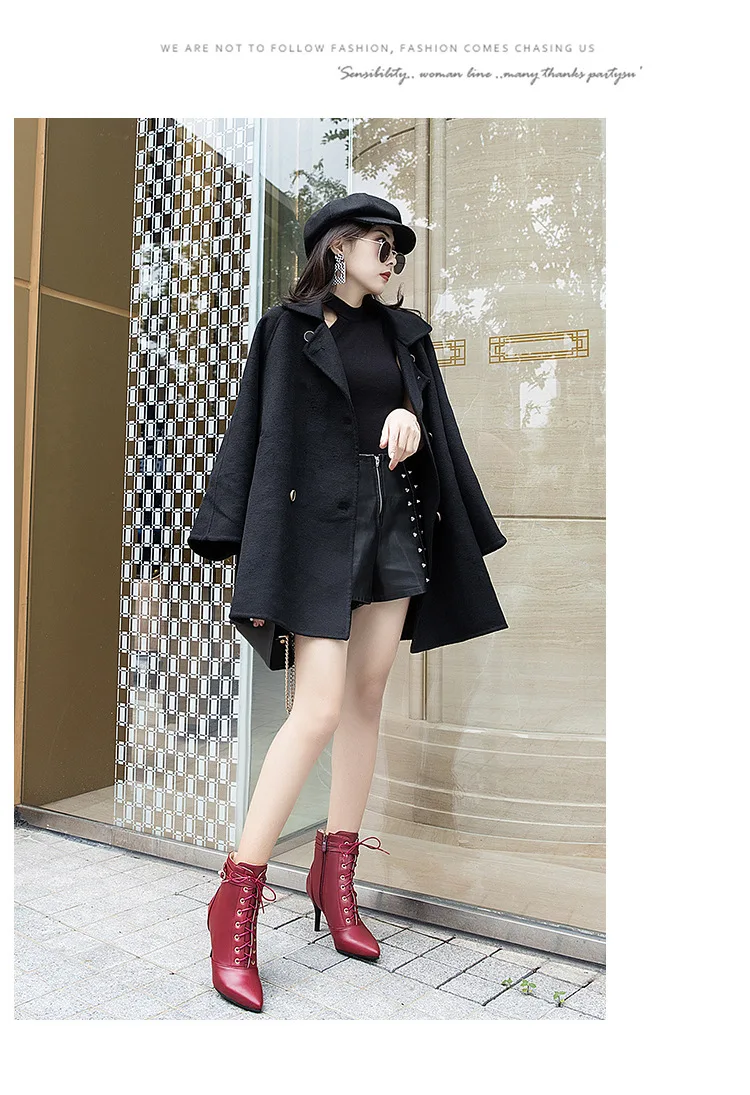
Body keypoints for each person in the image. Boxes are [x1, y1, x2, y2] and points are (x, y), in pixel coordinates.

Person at [189, 193, 508, 1012]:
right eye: (380, 242)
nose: (392, 256)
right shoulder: (287, 329)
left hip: (392, 524)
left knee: (366, 698)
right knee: (319, 708)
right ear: (337, 246)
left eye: (397, 246)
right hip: (314, 535)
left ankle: (335, 880)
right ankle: (237, 897)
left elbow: (432, 430)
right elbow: (258, 434)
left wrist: (409, 418)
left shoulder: (406, 336)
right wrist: (238, 538)